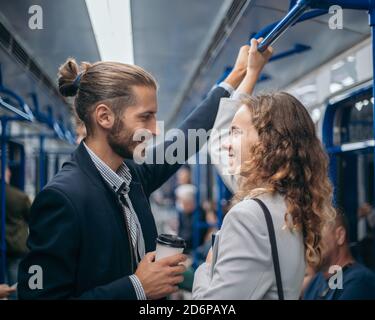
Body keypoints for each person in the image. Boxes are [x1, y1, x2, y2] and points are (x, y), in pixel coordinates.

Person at [18, 47, 249, 299]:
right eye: (145, 117)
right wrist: (137, 288)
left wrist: (237, 75)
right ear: (105, 117)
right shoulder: (62, 199)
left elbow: (183, 141)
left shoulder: (133, 176)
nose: (155, 130)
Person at [193, 38, 336, 299]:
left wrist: (206, 268)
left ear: (266, 144)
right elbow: (219, 139)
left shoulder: (249, 216)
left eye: (236, 133)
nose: (227, 144)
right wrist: (251, 73)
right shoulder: (288, 204)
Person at [303, 211, 375, 300]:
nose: (310, 242)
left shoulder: (360, 281)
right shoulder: (315, 282)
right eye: (309, 235)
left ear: (340, 236)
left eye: (317, 232)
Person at [1, 167, 31, 297]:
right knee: (14, 285)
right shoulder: (19, 196)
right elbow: (32, 218)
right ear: (7, 174)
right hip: (15, 246)